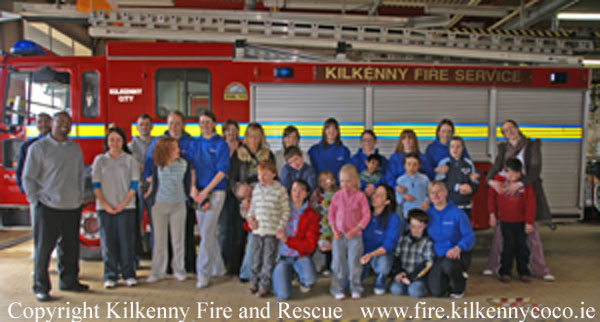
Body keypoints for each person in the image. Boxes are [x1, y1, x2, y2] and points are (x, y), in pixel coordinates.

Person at [23, 112, 88, 302]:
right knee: (44, 249)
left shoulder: (75, 149)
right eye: (60, 121)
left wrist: (79, 197)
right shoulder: (39, 148)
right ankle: (41, 287)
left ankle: (69, 281)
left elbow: (79, 175)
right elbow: (28, 178)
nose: (64, 125)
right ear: (52, 124)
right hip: (47, 206)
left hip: (72, 206)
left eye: (67, 122)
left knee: (70, 248)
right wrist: (35, 201)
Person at [484, 119, 555, 282]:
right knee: (500, 237)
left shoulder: (532, 145)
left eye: (511, 128)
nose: (509, 132)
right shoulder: (503, 148)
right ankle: (493, 266)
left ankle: (541, 269)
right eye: (505, 130)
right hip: (507, 198)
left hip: (527, 189)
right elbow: (496, 166)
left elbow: (535, 169)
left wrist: (520, 184)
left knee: (532, 235)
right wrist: (490, 181)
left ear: (517, 128)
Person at [143, 111, 196, 274]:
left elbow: (194, 167)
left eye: (177, 123)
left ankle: (185, 266)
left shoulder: (190, 142)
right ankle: (163, 268)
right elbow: (149, 163)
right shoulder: (159, 142)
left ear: (183, 125)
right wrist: (150, 182)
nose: (174, 126)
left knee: (183, 234)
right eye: (171, 123)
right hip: (161, 197)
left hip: (182, 197)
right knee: (161, 236)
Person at [187, 111, 230, 288]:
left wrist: (206, 191)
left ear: (214, 123)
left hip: (215, 193)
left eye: (208, 122)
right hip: (198, 194)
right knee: (209, 233)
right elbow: (192, 168)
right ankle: (218, 268)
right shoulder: (194, 144)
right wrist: (193, 187)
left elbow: (222, 172)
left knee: (205, 233)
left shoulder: (221, 145)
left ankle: (203, 274)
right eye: (201, 122)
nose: (204, 125)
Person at [92, 127, 139, 288]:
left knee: (126, 242)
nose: (115, 143)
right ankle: (110, 275)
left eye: (118, 140)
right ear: (107, 142)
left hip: (126, 207)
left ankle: (129, 274)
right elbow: (96, 185)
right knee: (108, 242)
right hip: (104, 208)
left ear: (123, 142)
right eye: (112, 140)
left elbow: (134, 184)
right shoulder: (100, 160)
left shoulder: (129, 160)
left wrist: (123, 204)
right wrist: (105, 205)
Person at [229, 122, 275, 282]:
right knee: (239, 237)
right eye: (250, 136)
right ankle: (239, 270)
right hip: (244, 200)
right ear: (246, 137)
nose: (253, 140)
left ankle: (256, 271)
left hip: (263, 201)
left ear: (261, 138)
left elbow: (274, 177)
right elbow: (232, 179)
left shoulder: (268, 155)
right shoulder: (238, 155)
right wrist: (241, 195)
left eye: (256, 136)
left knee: (261, 236)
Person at [145, 137, 190, 283]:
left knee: (178, 239)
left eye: (177, 147)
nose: (178, 150)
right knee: (159, 240)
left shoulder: (184, 164)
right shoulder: (156, 165)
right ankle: (158, 271)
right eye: (174, 148)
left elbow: (188, 183)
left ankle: (179, 269)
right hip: (159, 205)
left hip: (178, 204)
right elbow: (151, 181)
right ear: (165, 151)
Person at [246, 160, 289, 297]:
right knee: (256, 257)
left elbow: (285, 211)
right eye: (259, 175)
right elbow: (252, 207)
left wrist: (280, 227)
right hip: (258, 231)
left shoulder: (280, 190)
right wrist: (250, 218)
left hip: (271, 231)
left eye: (265, 175)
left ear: (273, 174)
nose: (261, 178)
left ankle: (265, 285)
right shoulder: (257, 189)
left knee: (268, 259)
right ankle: (253, 281)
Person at [489, 158, 535, 283]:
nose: (513, 177)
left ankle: (523, 271)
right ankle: (505, 271)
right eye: (510, 174)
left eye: (516, 174)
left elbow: (530, 203)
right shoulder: (498, 182)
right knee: (508, 246)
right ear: (504, 171)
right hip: (505, 220)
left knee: (522, 247)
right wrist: (492, 215)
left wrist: (529, 222)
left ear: (520, 173)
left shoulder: (525, 184)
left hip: (521, 221)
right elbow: (491, 198)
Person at [272, 179, 320, 300]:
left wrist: (287, 240)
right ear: (289, 192)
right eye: (294, 190)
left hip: (299, 255)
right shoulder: (280, 209)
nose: (297, 194)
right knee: (283, 296)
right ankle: (286, 274)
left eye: (301, 190)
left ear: (307, 194)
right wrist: (250, 221)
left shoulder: (311, 214)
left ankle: (300, 277)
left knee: (309, 279)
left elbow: (310, 245)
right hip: (281, 257)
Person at [426, 182, 475, 298]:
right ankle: (447, 279)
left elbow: (470, 236)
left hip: (457, 254)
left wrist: (459, 248)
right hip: (438, 256)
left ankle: (459, 287)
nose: (436, 195)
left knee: (449, 265)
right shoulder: (427, 214)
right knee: (436, 292)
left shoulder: (457, 213)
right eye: (432, 193)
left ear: (446, 193)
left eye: (439, 191)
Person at [328, 164, 370, 300]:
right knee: (338, 262)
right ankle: (337, 288)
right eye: (342, 181)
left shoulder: (360, 196)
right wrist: (334, 230)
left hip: (354, 236)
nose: (345, 184)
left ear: (355, 181)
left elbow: (366, 216)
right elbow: (331, 215)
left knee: (354, 262)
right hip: (339, 235)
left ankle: (355, 287)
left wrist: (356, 229)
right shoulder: (336, 196)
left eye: (348, 181)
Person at [16, 113, 52, 261]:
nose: (42, 124)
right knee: (39, 235)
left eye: (45, 121)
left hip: (56, 197)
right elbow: (21, 172)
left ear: (51, 123)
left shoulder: (64, 145)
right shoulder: (28, 146)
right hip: (39, 198)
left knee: (58, 235)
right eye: (39, 122)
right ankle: (39, 266)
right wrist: (30, 195)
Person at [359, 184, 401, 295]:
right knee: (346, 286)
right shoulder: (365, 213)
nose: (374, 197)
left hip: (380, 253)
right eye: (374, 193)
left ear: (387, 201)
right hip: (362, 253)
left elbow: (389, 244)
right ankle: (363, 275)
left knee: (383, 264)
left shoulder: (393, 218)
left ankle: (380, 283)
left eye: (379, 196)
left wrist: (370, 255)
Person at [218, 119, 244, 275]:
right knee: (224, 228)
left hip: (239, 192)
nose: (231, 133)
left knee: (239, 228)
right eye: (228, 130)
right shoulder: (219, 146)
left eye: (234, 130)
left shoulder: (243, 148)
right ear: (224, 132)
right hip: (222, 191)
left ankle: (237, 263)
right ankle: (224, 262)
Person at [390, 209, 434, 298]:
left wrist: (411, 277)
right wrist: (399, 272)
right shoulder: (403, 239)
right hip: (403, 274)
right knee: (395, 290)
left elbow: (427, 263)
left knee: (415, 291)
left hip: (418, 276)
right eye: (413, 226)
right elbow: (396, 257)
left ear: (425, 226)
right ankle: (405, 284)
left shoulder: (427, 241)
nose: (416, 230)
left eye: (420, 227)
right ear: (409, 225)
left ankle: (421, 287)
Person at [127, 113, 154, 258]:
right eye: (141, 124)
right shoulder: (129, 146)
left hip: (153, 188)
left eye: (147, 124)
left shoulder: (157, 144)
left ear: (152, 127)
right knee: (134, 225)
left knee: (155, 224)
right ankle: (135, 258)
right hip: (135, 188)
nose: (144, 127)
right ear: (137, 128)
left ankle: (155, 256)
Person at [434, 136, 479, 218]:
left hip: (465, 206)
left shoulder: (468, 163)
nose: (455, 149)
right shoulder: (444, 163)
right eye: (452, 146)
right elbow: (439, 185)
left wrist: (471, 188)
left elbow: (475, 182)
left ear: (462, 148)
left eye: (458, 147)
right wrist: (457, 187)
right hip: (448, 206)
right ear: (449, 148)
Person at [311, 170, 338, 275]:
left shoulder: (337, 193)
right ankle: (327, 266)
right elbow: (313, 206)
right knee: (325, 247)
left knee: (335, 246)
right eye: (321, 180)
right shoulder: (318, 194)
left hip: (335, 224)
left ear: (333, 181)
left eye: (327, 180)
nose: (325, 182)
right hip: (323, 224)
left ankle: (334, 267)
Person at [308, 118, 351, 183]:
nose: (331, 131)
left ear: (337, 132)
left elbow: (346, 173)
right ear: (324, 131)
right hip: (319, 189)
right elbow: (310, 172)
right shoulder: (314, 150)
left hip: (337, 189)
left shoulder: (344, 151)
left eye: (334, 129)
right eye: (328, 128)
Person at [350, 130, 388, 195]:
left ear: (375, 141)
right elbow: (351, 176)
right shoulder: (354, 159)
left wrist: (375, 186)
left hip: (377, 194)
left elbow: (387, 176)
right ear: (361, 142)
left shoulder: (382, 159)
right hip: (359, 193)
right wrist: (365, 186)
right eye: (364, 140)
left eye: (370, 140)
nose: (367, 143)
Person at [395, 152, 430, 223]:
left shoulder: (424, 179)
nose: (411, 167)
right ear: (404, 165)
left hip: (422, 212)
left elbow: (430, 193)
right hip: (407, 213)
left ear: (419, 166)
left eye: (415, 164)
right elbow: (397, 198)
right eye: (409, 164)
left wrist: (427, 201)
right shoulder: (400, 180)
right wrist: (404, 196)